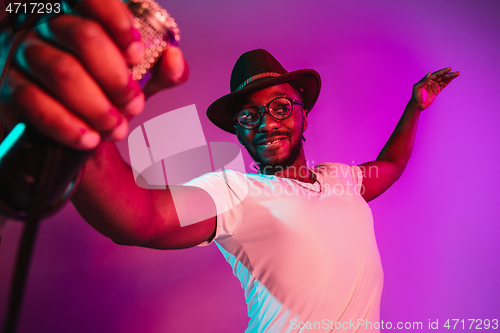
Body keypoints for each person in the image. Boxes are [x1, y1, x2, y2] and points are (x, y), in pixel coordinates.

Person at [0, 0, 459, 331]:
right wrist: (84, 113)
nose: (265, 123)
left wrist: (415, 107)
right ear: (238, 132)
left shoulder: (342, 179)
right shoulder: (236, 193)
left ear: (303, 112)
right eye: (248, 117)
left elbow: (391, 165)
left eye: (280, 107)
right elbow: (139, 219)